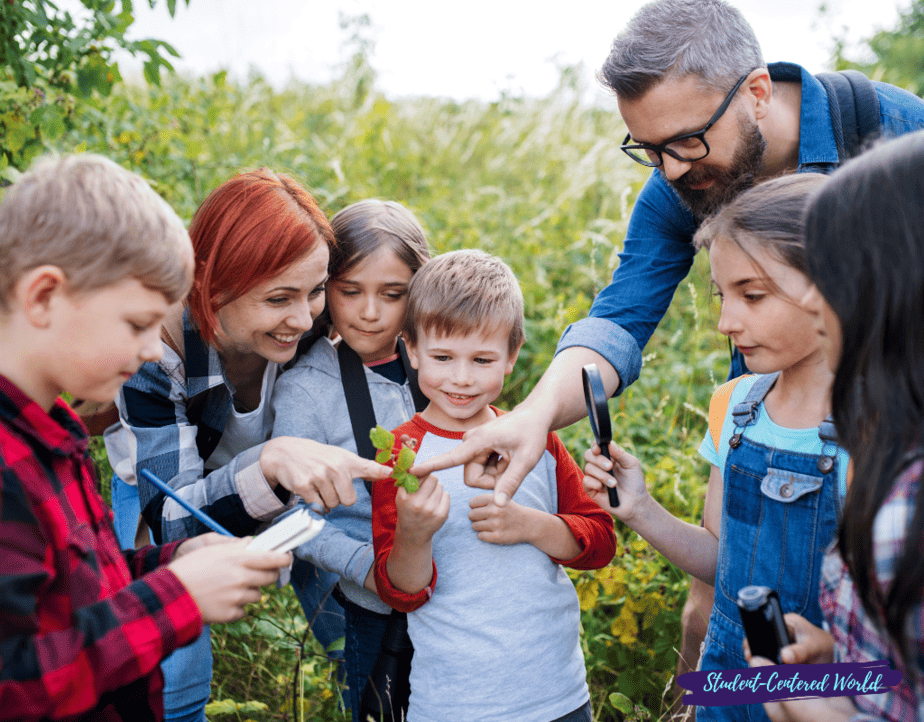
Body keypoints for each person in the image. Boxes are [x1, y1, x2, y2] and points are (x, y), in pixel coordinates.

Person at [411, 0, 924, 693]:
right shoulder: (678, 184)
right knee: (720, 611)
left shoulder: (898, 139)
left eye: (684, 142)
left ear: (757, 94)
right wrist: (530, 417)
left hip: (893, 440)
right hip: (771, 423)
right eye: (647, 149)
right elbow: (621, 318)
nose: (670, 170)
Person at [0, 153, 293, 721]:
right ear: (43, 297)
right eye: (137, 325)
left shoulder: (54, 434)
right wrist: (176, 598)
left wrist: (170, 562)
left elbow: (75, 596)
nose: (156, 350)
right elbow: (19, 686)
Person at [103, 170, 394, 721]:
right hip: (168, 485)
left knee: (352, 626)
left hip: (297, 473)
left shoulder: (308, 314)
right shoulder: (154, 351)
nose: (304, 317)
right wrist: (269, 464)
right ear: (212, 288)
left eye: (315, 293)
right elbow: (173, 520)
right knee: (169, 665)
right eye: (279, 298)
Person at [583, 173, 849, 722]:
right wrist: (640, 510)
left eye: (752, 295)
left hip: (825, 693)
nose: (727, 322)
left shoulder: (880, 430)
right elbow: (721, 559)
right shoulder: (736, 405)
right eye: (722, 296)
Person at [371, 249, 617, 722]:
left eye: (482, 359)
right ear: (412, 349)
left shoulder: (534, 437)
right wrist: (414, 535)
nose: (461, 378)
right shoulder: (401, 455)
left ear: (512, 356)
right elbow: (401, 590)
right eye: (442, 357)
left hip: (557, 694)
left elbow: (599, 542)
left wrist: (531, 526)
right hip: (453, 703)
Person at [744, 133, 924, 722]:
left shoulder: (906, 508)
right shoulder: (740, 406)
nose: (814, 299)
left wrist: (822, 713)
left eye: (834, 275)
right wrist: (840, 661)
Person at [270, 198, 431, 721]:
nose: (369, 312)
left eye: (393, 295)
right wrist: (366, 567)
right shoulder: (305, 390)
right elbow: (288, 519)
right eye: (350, 291)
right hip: (371, 605)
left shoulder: (440, 367)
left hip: (454, 596)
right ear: (324, 289)